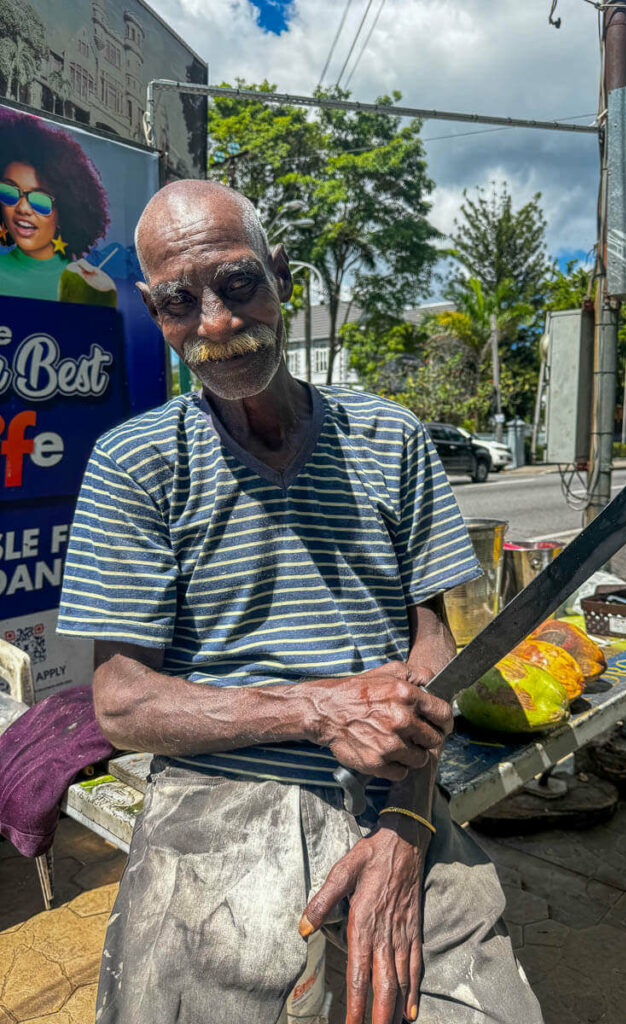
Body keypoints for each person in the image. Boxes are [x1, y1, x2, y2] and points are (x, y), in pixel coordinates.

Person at [57, 179, 544, 1024]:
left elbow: (434, 642)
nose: (216, 324)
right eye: (180, 302)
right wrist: (315, 709)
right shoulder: (132, 464)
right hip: (215, 796)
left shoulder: (392, 438)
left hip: (396, 784)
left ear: (282, 276)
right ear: (152, 309)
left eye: (238, 283)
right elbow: (123, 705)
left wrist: (406, 827)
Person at [0, 108, 113, 302]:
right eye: (9, 193)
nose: (22, 209)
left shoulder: (92, 285)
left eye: (40, 201)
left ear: (66, 212)